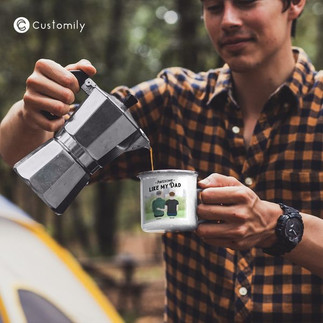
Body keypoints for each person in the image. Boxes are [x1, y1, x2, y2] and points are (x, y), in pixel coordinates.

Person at [0, 0, 322, 321]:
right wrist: (30, 115)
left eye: (245, 2)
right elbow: (24, 155)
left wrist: (277, 227)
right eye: (212, 7)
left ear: (293, 4)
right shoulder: (172, 101)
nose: (228, 20)